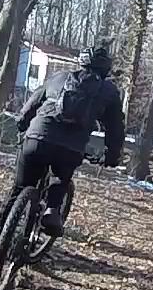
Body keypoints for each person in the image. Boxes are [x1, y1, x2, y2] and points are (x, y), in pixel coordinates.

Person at [12, 45, 125, 237]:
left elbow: (31, 105)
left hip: (37, 138)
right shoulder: (109, 92)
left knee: (19, 190)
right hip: (70, 149)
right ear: (106, 70)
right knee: (61, 177)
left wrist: (23, 125)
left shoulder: (59, 77)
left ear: (80, 62)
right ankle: (52, 210)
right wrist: (112, 156)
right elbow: (115, 128)